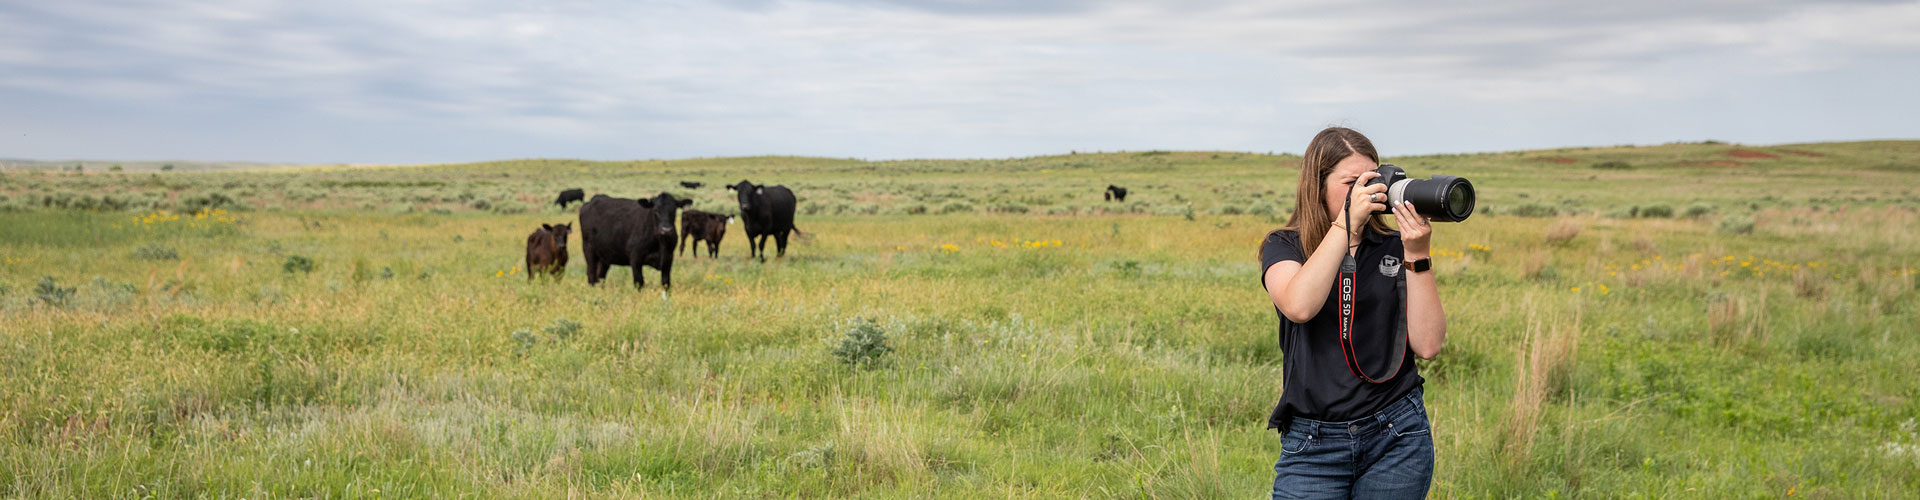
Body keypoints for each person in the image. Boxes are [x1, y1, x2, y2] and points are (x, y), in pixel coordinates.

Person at [1260, 127, 1447, 499]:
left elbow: (1427, 345)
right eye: (1352, 182)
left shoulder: (1394, 246)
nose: (1368, 191)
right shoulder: (1285, 246)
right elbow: (1299, 306)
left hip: (1397, 434)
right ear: (1317, 185)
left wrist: (1417, 254)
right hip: (1313, 445)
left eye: (1373, 180)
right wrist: (1346, 225)